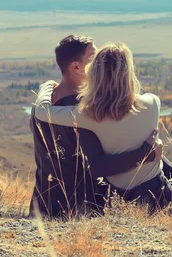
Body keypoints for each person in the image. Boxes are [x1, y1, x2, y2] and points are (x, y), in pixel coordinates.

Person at [33, 42, 172, 215]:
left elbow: (42, 112)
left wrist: (46, 87)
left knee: (153, 154)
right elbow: (146, 148)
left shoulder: (87, 115)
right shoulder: (151, 103)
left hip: (120, 201)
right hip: (161, 198)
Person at [29, 35, 164, 218]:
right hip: (82, 207)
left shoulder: (44, 106)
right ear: (76, 67)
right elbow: (99, 165)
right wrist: (146, 153)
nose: (100, 63)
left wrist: (45, 87)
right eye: (93, 58)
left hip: (42, 204)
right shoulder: (84, 110)